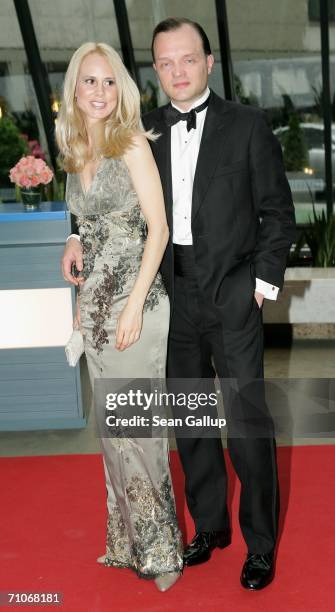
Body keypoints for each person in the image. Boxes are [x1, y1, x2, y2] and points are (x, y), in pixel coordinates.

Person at [62, 19, 296, 590]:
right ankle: (210, 527)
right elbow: (105, 201)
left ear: (209, 63)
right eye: (164, 63)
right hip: (171, 297)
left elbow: (277, 212)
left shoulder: (247, 126)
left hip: (234, 294)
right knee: (191, 424)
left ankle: (259, 544)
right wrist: (74, 233)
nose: (176, 72)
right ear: (154, 69)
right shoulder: (143, 132)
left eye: (187, 59)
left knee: (245, 424)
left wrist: (260, 284)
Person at [56, 42, 183, 592]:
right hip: (95, 313)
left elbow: (159, 228)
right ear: (75, 90)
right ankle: (129, 540)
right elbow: (81, 215)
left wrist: (134, 304)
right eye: (90, 81)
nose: (100, 91)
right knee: (114, 432)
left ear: (121, 89)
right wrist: (70, 239)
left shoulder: (131, 143)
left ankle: (163, 553)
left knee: (139, 430)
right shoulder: (76, 146)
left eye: (110, 82)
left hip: (138, 308)